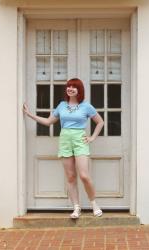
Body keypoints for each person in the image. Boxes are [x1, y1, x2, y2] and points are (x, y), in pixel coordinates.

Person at [23, 78, 104, 219]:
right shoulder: (61, 105)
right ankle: (76, 208)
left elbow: (100, 122)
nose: (70, 88)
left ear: (79, 90)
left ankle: (94, 204)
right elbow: (49, 122)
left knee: (84, 175)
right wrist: (30, 115)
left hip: (80, 140)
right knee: (71, 177)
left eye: (74, 87)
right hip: (65, 140)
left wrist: (92, 138)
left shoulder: (86, 106)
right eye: (69, 86)